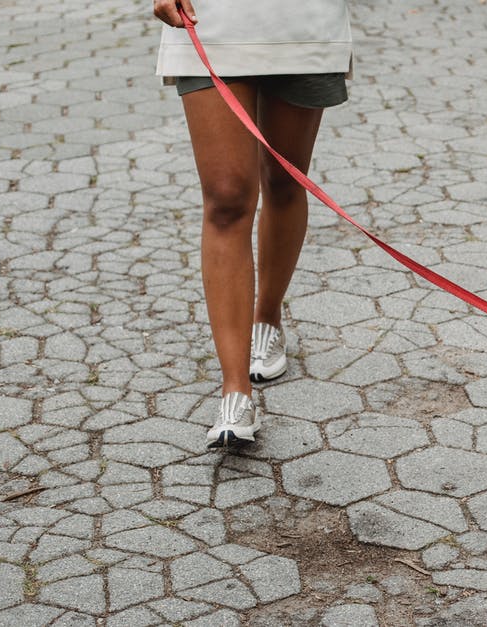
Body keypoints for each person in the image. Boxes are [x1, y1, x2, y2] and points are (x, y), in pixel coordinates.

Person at [153, 0, 352, 448]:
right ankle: (235, 390)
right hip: (210, 16)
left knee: (284, 180)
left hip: (303, 21)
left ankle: (267, 317)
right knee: (226, 198)